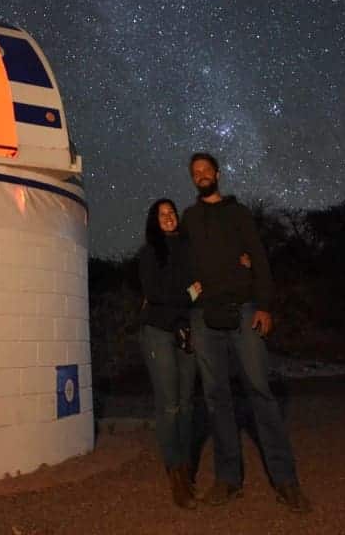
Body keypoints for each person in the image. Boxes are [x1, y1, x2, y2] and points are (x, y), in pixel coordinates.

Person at [181, 153, 312, 513]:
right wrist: (183, 299)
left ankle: (286, 481)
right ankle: (227, 479)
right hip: (205, 316)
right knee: (216, 398)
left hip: (243, 312)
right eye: (196, 173)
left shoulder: (237, 213)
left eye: (207, 170)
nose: (202, 176)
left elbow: (258, 255)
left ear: (218, 174)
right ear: (192, 179)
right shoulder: (189, 218)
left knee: (260, 392)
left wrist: (265, 305)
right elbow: (181, 259)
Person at [138, 197, 202, 508]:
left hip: (187, 331)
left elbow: (205, 281)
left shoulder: (189, 249)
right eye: (162, 214)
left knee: (188, 404)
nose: (169, 217)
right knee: (169, 406)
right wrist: (189, 294)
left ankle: (187, 467)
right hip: (159, 332)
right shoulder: (150, 252)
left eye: (172, 212)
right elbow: (155, 294)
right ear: (155, 220)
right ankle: (175, 473)